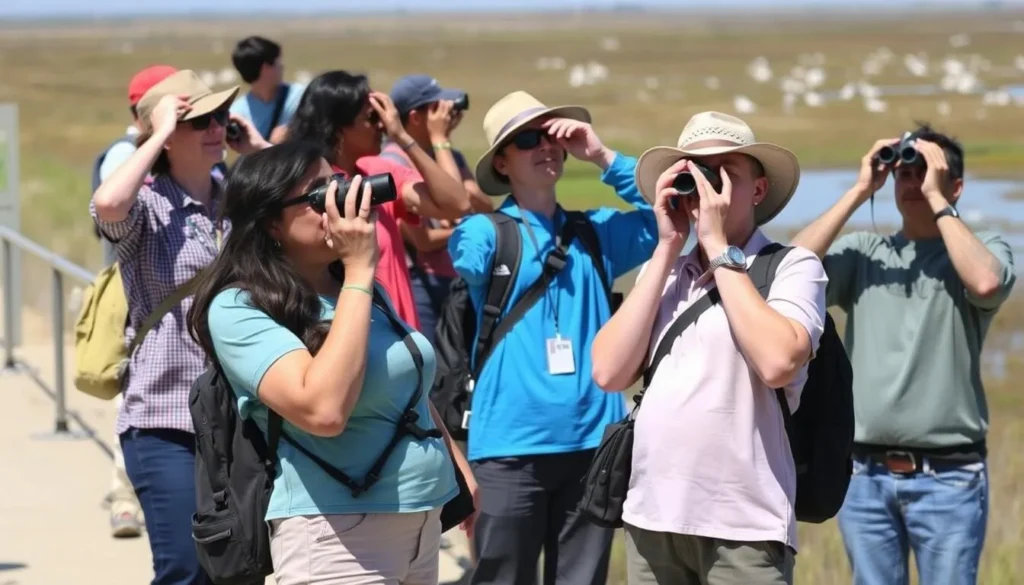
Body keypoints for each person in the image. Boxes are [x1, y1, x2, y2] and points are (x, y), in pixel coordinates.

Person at [186, 141, 474, 585]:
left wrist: (460, 473)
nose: (342, 201)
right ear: (272, 222)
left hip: (421, 522)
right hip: (336, 536)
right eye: (320, 195)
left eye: (339, 183)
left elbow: (407, 385)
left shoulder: (359, 291)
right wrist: (359, 269)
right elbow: (323, 410)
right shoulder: (238, 307)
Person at [591, 111, 828, 585]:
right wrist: (667, 246)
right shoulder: (664, 272)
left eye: (723, 172)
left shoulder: (792, 267)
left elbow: (779, 362)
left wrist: (718, 248)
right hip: (651, 517)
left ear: (758, 190)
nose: (706, 186)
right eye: (694, 172)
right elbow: (608, 372)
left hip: (744, 527)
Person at [790, 124, 1016, 585]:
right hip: (863, 475)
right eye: (904, 174)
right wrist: (859, 190)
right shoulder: (866, 253)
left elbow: (986, 283)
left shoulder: (983, 250)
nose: (912, 183)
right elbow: (788, 273)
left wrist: (937, 199)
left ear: (955, 185)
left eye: (925, 172)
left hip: (950, 476)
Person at [449, 90, 658, 585]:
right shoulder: (486, 233)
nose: (545, 147)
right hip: (508, 447)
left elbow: (671, 214)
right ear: (501, 162)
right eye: (527, 140)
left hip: (592, 445)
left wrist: (601, 156)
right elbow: (463, 255)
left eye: (552, 136)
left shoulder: (595, 234)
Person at [90, 69, 269, 585]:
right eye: (200, 121)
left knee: (242, 570)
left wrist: (257, 149)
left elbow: (305, 196)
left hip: (238, 417)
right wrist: (160, 131)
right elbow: (107, 205)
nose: (216, 128)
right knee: (186, 571)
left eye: (220, 117)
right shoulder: (147, 205)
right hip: (166, 421)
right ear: (167, 135)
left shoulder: (235, 197)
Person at [284, 70, 472, 331]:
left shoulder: (378, 172)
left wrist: (403, 137)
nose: (383, 125)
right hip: (360, 335)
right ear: (340, 128)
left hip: (405, 333)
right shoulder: (316, 194)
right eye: (371, 117)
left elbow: (456, 204)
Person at [92, 63, 179, 540]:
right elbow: (112, 205)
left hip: (163, 300)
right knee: (134, 395)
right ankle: (124, 494)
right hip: (134, 297)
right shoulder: (126, 155)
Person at [383, 73, 492, 346]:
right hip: (422, 284)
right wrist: (440, 139)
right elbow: (423, 240)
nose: (446, 114)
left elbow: (484, 206)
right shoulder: (392, 162)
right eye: (435, 108)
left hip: (457, 276)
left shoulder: (448, 154)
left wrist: (443, 144)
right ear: (415, 117)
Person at [229, 35, 304, 143]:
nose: (282, 66)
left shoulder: (301, 96)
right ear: (265, 68)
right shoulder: (237, 115)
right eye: (278, 62)